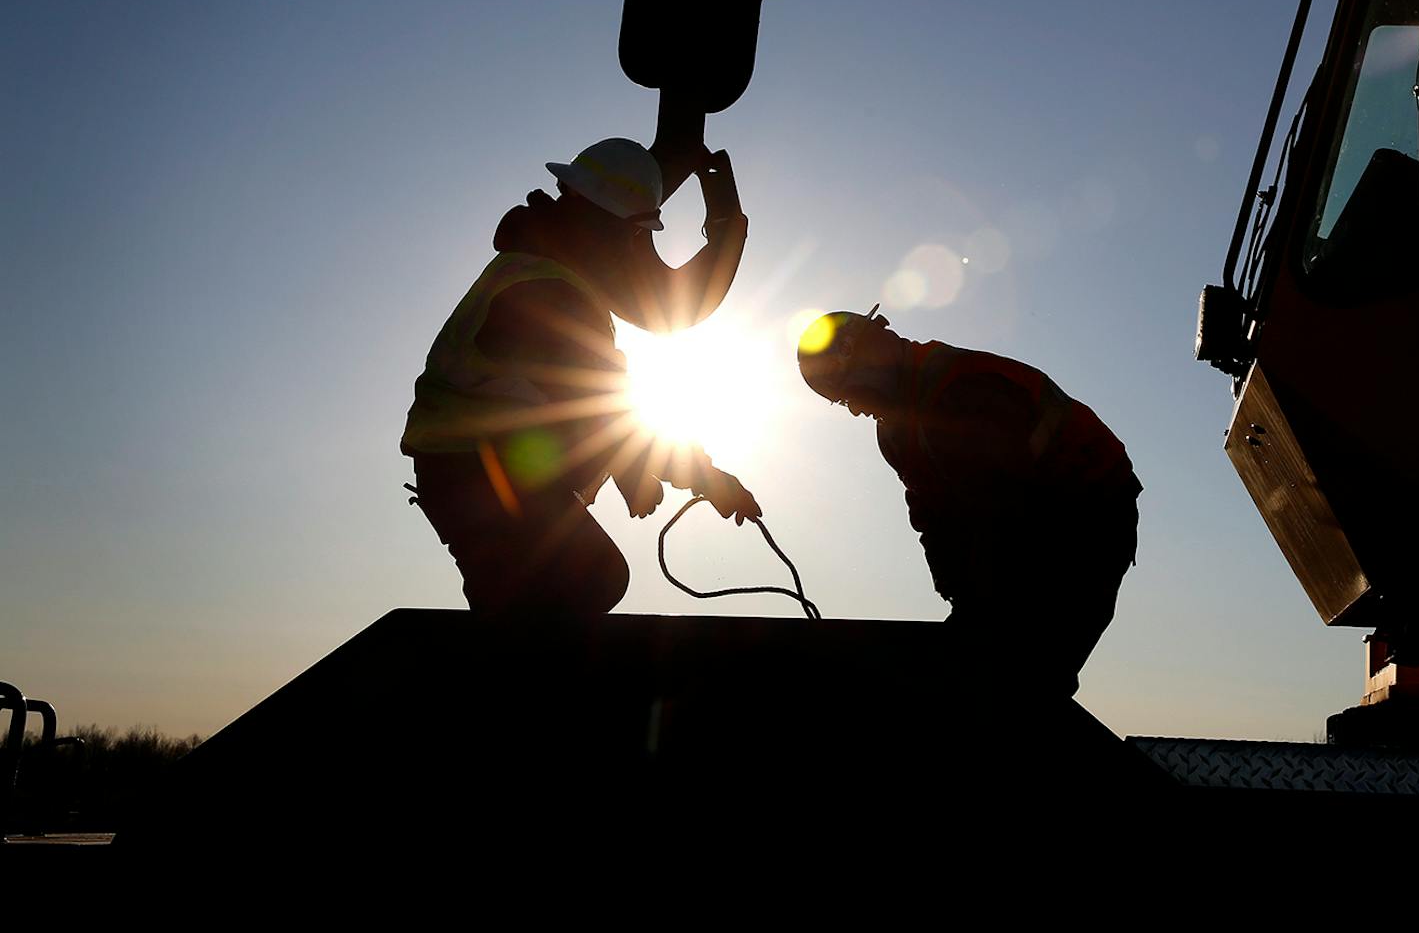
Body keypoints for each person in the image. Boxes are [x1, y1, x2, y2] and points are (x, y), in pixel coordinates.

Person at [402, 138, 761, 618]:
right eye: (634, 235)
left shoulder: (538, 269)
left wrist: (632, 472)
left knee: (529, 592)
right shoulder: (552, 293)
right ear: (615, 229)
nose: (634, 248)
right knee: (592, 576)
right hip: (476, 473)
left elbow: (582, 407)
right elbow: (605, 413)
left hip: (469, 467)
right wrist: (706, 479)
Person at [796, 309, 1142, 695]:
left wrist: (979, 608)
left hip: (1092, 510)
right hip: (1029, 518)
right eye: (844, 403)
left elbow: (1005, 512)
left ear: (873, 359)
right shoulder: (895, 433)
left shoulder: (963, 391)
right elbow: (930, 514)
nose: (857, 409)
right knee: (992, 654)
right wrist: (956, 592)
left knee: (1036, 666)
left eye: (853, 393)